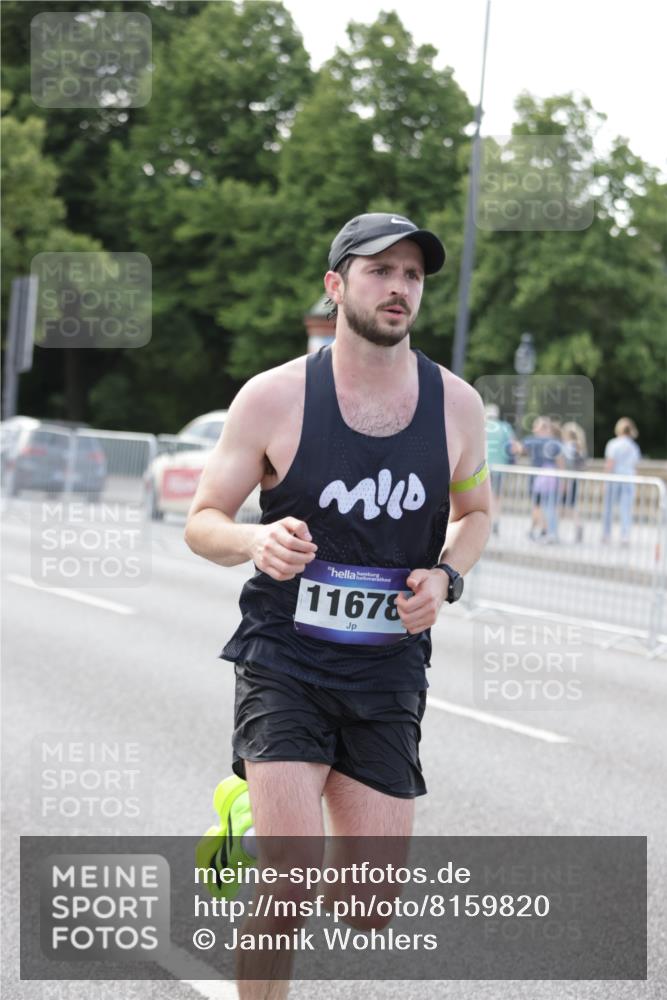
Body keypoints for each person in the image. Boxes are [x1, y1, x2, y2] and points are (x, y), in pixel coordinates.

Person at [185, 211, 491, 998]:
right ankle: (269, 823)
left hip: (388, 670)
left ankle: (246, 812)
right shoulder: (273, 396)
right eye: (379, 271)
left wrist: (446, 577)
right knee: (288, 890)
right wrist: (254, 543)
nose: (398, 288)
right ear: (335, 284)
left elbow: (477, 514)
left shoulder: (456, 406)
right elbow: (203, 521)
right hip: (284, 657)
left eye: (412, 275)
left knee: (366, 909)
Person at [520, 416, 564, 543]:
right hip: (552, 480)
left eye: (536, 426)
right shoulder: (555, 443)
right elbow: (560, 463)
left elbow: (519, 450)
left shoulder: (531, 441)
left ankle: (540, 530)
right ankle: (544, 530)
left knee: (538, 506)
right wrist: (562, 482)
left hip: (537, 480)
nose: (533, 429)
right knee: (549, 506)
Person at [602, 417, 641, 544]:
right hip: (628, 478)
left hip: (615, 478)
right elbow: (636, 466)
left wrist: (605, 480)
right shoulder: (634, 446)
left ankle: (606, 534)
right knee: (626, 509)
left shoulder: (613, 444)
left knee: (608, 508)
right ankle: (625, 535)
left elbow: (610, 464)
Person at [484, 402, 517, 534]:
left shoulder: (481, 426)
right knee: (497, 496)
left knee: (484, 496)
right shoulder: (505, 427)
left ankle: (487, 521)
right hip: (500, 467)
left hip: (483, 467)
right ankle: (496, 521)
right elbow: (513, 447)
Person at [560, 421, 587, 542]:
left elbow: (567, 465)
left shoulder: (568, 446)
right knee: (569, 505)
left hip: (567, 479)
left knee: (565, 506)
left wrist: (565, 482)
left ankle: (552, 530)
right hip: (574, 478)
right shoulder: (579, 446)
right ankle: (577, 525)